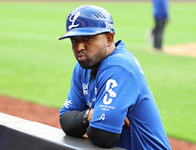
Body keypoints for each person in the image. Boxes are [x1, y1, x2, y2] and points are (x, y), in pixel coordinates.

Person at [58, 5, 171, 150]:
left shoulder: (119, 67)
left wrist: (83, 120)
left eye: (87, 38)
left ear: (109, 39)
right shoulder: (82, 68)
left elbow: (104, 136)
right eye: (74, 40)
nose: (80, 46)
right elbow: (66, 121)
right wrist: (90, 115)